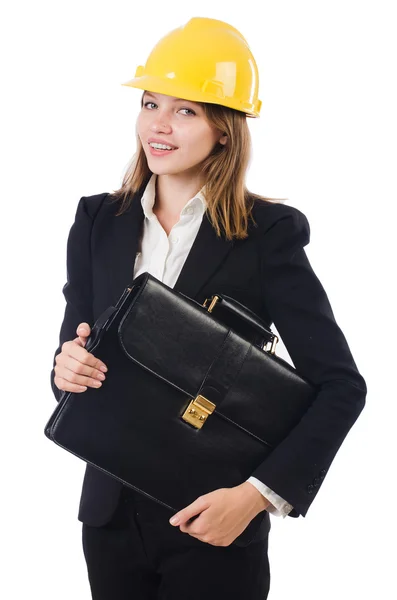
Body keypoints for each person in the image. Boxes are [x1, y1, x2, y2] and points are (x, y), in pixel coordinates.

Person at [49, 16, 367, 600]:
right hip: (110, 517)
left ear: (224, 129)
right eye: (150, 104)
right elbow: (75, 357)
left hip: (213, 521)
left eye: (186, 110)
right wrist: (64, 369)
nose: (158, 125)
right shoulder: (99, 222)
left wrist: (254, 497)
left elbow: (341, 387)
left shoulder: (266, 233)